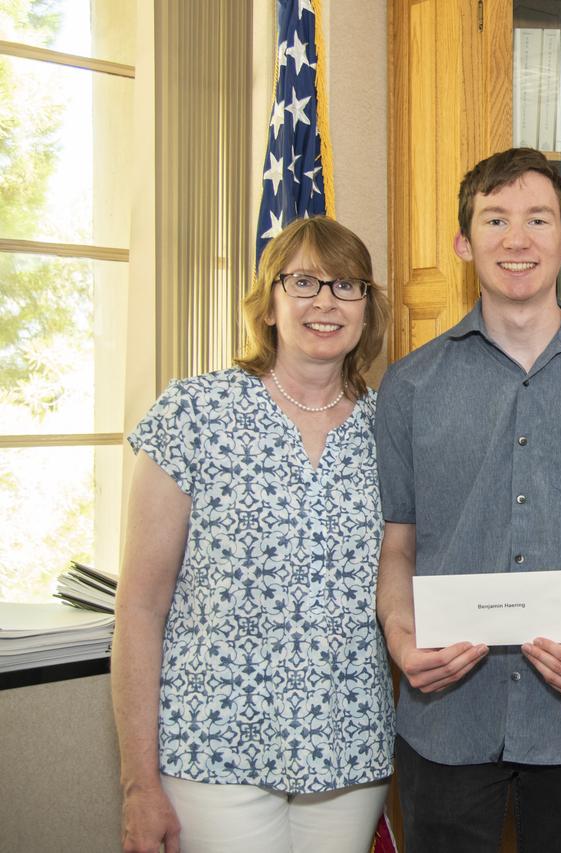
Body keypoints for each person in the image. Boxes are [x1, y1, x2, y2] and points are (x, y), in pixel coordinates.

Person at [374, 147, 561, 852]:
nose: (517, 239)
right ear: (463, 241)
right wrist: (399, 638)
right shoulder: (409, 387)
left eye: (539, 219)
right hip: (444, 713)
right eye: (495, 218)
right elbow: (398, 546)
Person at [112, 216, 395, 853]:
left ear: (365, 308)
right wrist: (137, 783)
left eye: (345, 285)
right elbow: (138, 607)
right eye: (303, 282)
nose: (325, 301)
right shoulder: (194, 415)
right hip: (212, 748)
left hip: (348, 753)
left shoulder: (392, 428)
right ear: (267, 303)